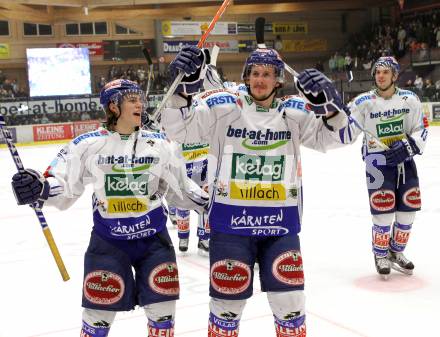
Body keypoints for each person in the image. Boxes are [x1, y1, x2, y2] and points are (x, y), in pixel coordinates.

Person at [160, 46, 349, 336]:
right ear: (247, 77)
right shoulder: (223, 107)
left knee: (291, 303)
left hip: (280, 226)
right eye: (255, 73)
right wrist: (180, 90)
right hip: (231, 227)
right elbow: (179, 131)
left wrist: (332, 108)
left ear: (278, 81)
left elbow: (335, 138)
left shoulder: (294, 112)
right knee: (226, 307)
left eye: (268, 74)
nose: (260, 80)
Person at [11, 79, 208, 337]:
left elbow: (180, 188)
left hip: (154, 242)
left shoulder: (159, 144)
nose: (141, 103)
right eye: (133, 100)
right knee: (97, 318)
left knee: (163, 315)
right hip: (108, 243)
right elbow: (63, 182)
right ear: (113, 106)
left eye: (140, 98)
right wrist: (39, 187)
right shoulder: (88, 144)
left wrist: (212, 203)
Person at [338, 56, 428, 279]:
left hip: (405, 161)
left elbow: (421, 129)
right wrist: (335, 114)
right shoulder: (363, 102)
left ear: (395, 76)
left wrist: (407, 146)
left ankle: (396, 252)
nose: (380, 75)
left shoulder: (410, 99)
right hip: (376, 163)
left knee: (408, 212)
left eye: (386, 72)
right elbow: (346, 131)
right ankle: (380, 255)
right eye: (377, 72)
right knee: (383, 213)